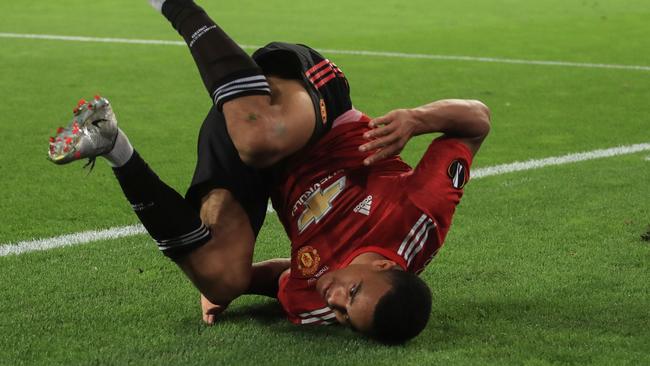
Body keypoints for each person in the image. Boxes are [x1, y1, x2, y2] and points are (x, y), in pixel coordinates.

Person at [47, 0, 490, 344]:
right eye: (352, 293)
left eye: (343, 315)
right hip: (312, 109)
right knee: (261, 140)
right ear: (381, 264)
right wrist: (417, 118)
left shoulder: (313, 306)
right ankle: (174, 5)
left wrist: (228, 291)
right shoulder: (418, 216)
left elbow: (283, 277)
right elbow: (477, 121)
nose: (334, 299)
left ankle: (111, 144)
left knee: (222, 278)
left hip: (257, 167)